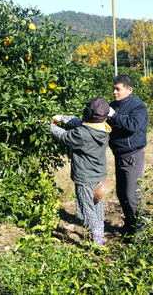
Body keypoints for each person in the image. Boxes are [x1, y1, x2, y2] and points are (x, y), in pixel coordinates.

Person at [49, 96, 111, 245]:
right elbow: (81, 122)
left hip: (85, 178)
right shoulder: (102, 127)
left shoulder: (83, 134)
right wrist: (63, 118)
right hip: (98, 175)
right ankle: (100, 232)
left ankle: (97, 241)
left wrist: (48, 125)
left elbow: (64, 136)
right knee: (96, 205)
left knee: (87, 209)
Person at [107, 74, 149, 238]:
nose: (115, 92)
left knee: (131, 195)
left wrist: (115, 116)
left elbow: (132, 125)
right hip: (119, 154)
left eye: (118, 89)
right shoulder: (113, 105)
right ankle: (130, 226)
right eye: (113, 89)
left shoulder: (137, 106)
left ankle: (141, 229)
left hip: (132, 155)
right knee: (122, 193)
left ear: (129, 90)